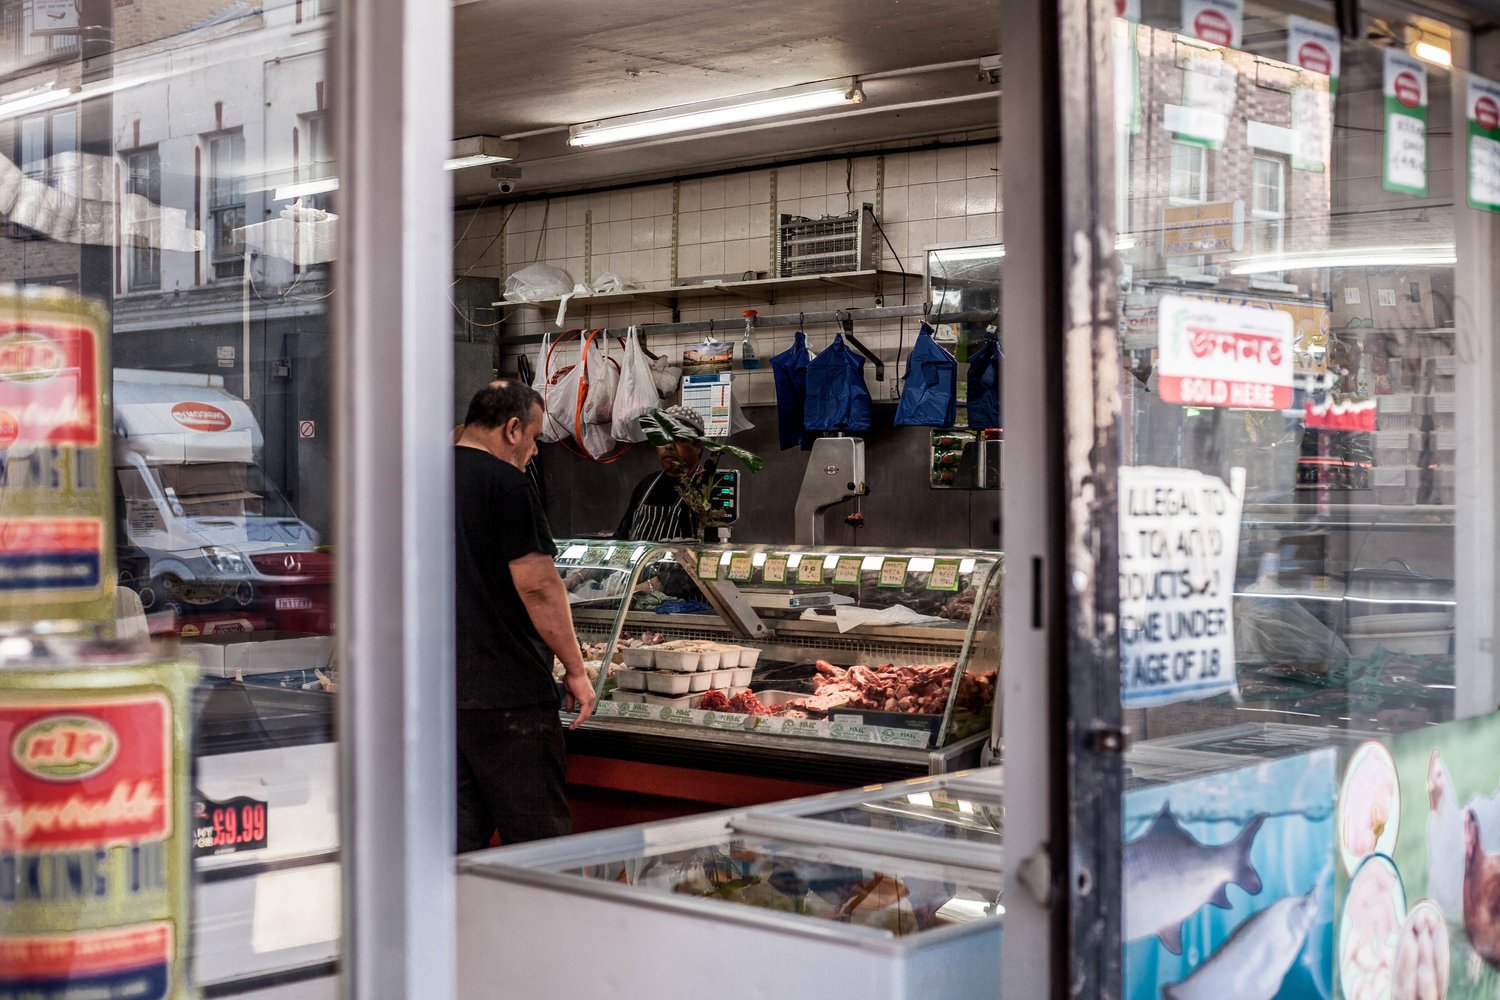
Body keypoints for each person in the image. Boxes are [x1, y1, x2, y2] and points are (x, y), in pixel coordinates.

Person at [453, 380, 595, 851]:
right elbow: (537, 584)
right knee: (538, 846)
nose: (533, 452)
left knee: (453, 841)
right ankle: (539, 927)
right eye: (534, 439)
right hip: (508, 696)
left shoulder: (416, 480)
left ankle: (453, 926)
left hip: (437, 698)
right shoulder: (507, 485)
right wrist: (575, 669)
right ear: (512, 429)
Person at [614, 404, 718, 542]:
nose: (668, 446)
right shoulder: (647, 485)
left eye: (679, 438)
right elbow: (622, 534)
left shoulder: (709, 486)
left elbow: (713, 545)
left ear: (698, 446)